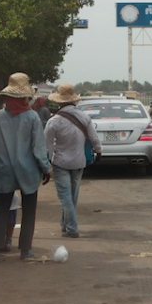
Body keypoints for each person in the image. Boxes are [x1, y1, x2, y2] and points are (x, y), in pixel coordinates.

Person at [0, 73, 52, 262]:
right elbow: (38, 148)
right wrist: (46, 168)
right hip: (29, 170)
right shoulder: (32, 117)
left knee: (1, 210)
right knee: (29, 210)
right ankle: (25, 249)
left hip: (5, 169)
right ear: (25, 97)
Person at [44, 83, 101, 238]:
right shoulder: (84, 117)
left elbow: (47, 146)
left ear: (58, 101)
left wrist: (45, 165)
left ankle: (71, 228)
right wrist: (99, 151)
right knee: (72, 196)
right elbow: (94, 138)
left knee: (65, 197)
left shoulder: (53, 121)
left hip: (60, 162)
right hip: (79, 162)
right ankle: (65, 223)